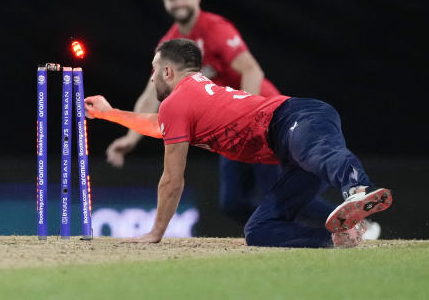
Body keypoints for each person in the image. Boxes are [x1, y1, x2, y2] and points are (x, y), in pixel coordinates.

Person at [84, 38, 392, 248]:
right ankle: (340, 238)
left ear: (168, 71)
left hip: (294, 118)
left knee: (315, 152)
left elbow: (172, 180)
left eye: (154, 70)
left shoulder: (178, 102)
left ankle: (357, 189)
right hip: (291, 146)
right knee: (259, 230)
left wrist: (155, 233)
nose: (152, 79)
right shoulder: (190, 98)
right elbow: (157, 125)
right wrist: (111, 115)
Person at [106, 0, 336, 228]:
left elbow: (252, 70)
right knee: (233, 202)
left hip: (264, 119)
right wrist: (130, 137)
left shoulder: (214, 28)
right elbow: (151, 95)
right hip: (227, 128)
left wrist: (249, 119)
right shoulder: (169, 44)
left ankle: (353, 222)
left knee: (275, 189)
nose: (177, 1)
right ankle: (284, 235)